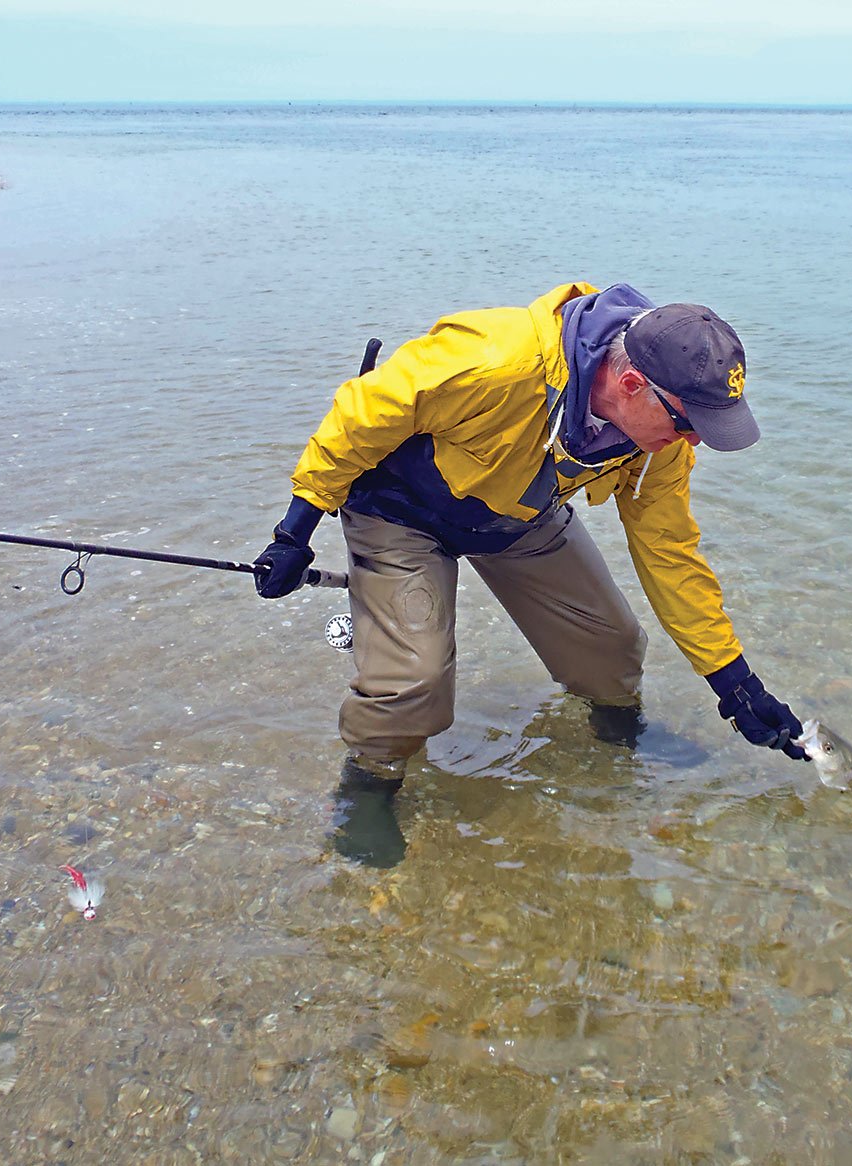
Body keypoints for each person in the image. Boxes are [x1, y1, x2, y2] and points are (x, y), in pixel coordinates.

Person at [255, 282, 808, 863]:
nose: (692, 441)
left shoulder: (660, 444)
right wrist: (295, 529)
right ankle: (370, 780)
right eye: (686, 422)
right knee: (413, 683)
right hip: (399, 510)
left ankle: (617, 736)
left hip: (518, 513)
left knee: (613, 647)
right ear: (631, 385)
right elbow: (359, 416)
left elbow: (671, 555)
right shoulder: (495, 360)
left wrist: (735, 683)